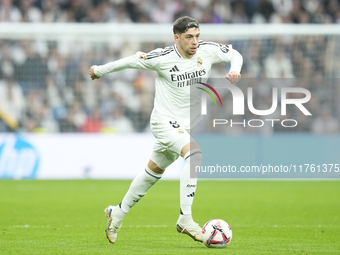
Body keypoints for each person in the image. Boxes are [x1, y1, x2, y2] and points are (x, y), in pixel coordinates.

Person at [89, 16, 243, 244]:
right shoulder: (162, 57)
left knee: (152, 173)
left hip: (184, 125)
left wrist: (235, 69)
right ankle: (185, 219)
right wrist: (99, 70)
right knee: (195, 155)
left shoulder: (207, 51)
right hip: (164, 121)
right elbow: (131, 61)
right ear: (177, 38)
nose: (195, 42)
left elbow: (234, 54)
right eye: (189, 37)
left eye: (197, 36)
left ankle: (117, 213)